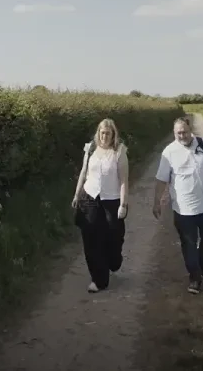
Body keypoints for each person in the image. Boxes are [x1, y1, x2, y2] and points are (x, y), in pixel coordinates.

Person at [152, 115, 203, 294]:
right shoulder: (169, 152)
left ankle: (201, 259)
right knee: (188, 243)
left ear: (190, 130)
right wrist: (157, 202)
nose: (181, 136)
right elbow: (161, 179)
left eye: (184, 132)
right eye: (177, 133)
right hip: (185, 210)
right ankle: (194, 278)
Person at [71, 118, 129, 293]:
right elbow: (83, 172)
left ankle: (114, 261)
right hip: (89, 198)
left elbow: (124, 180)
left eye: (108, 133)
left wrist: (123, 204)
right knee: (91, 240)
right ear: (98, 133)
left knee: (114, 236)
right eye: (102, 133)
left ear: (113, 134)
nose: (104, 136)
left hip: (112, 200)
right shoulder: (90, 149)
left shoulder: (119, 151)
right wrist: (76, 194)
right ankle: (99, 279)